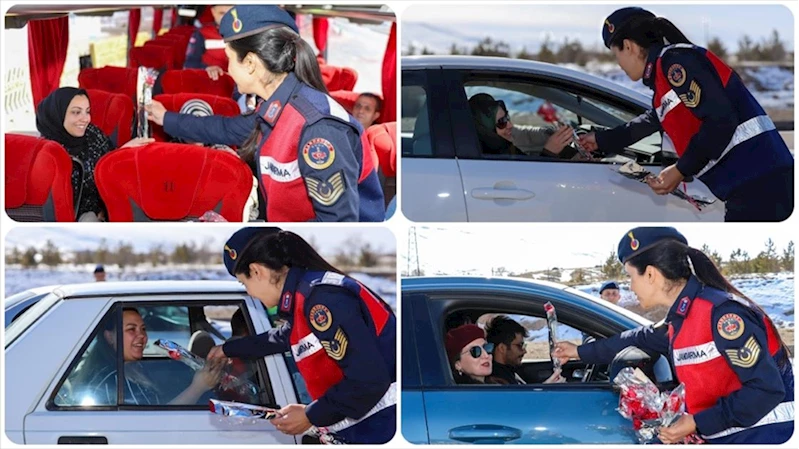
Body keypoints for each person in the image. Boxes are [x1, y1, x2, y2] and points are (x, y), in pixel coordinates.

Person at [553, 227, 793, 444]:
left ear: (651, 274)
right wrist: (577, 351)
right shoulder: (681, 318)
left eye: (630, 276)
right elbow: (636, 339)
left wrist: (695, 422)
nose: (630, 286)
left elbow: (766, 390)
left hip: (763, 436)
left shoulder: (722, 315)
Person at [146, 5, 385, 222]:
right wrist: (166, 118)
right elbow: (226, 129)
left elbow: (337, 225)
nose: (227, 70)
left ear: (249, 63)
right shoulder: (275, 107)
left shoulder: (318, 128)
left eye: (230, 59)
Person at [578, 8, 794, 222]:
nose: (619, 63)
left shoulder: (676, 63)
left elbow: (720, 121)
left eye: (617, 55)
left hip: (761, 182)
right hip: (750, 183)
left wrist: (681, 170)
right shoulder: (664, 77)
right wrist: (600, 140)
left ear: (629, 46)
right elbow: (649, 122)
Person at [205, 227, 396, 444]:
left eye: (244, 283)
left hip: (381, 428)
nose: (249, 292)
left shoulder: (322, 300)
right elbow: (283, 337)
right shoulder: (305, 296)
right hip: (366, 428)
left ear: (257, 271)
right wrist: (227, 349)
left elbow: (368, 380)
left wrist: (309, 415)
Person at [36, 88, 154, 221]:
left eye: (87, 111)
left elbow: (109, 162)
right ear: (57, 114)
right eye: (76, 112)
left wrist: (123, 152)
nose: (85, 119)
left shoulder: (92, 133)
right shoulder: (48, 152)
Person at [81, 307, 223, 405]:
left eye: (143, 329)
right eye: (131, 329)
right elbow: (154, 425)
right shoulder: (113, 382)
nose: (142, 335)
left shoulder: (129, 371)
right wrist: (199, 387)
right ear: (109, 336)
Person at [468, 93, 581, 159]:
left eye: (507, 117)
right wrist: (549, 153)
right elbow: (529, 181)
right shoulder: (489, 159)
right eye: (502, 122)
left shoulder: (503, 148)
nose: (510, 125)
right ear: (486, 130)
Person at [485, 315, 565, 384]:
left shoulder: (509, 372)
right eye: (519, 346)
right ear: (502, 348)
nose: (524, 351)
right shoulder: (497, 381)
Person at [184, 5, 233, 72]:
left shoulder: (245, 34)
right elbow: (190, 63)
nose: (226, 18)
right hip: (212, 79)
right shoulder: (202, 33)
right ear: (213, 12)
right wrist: (206, 69)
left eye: (231, 13)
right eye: (222, 13)